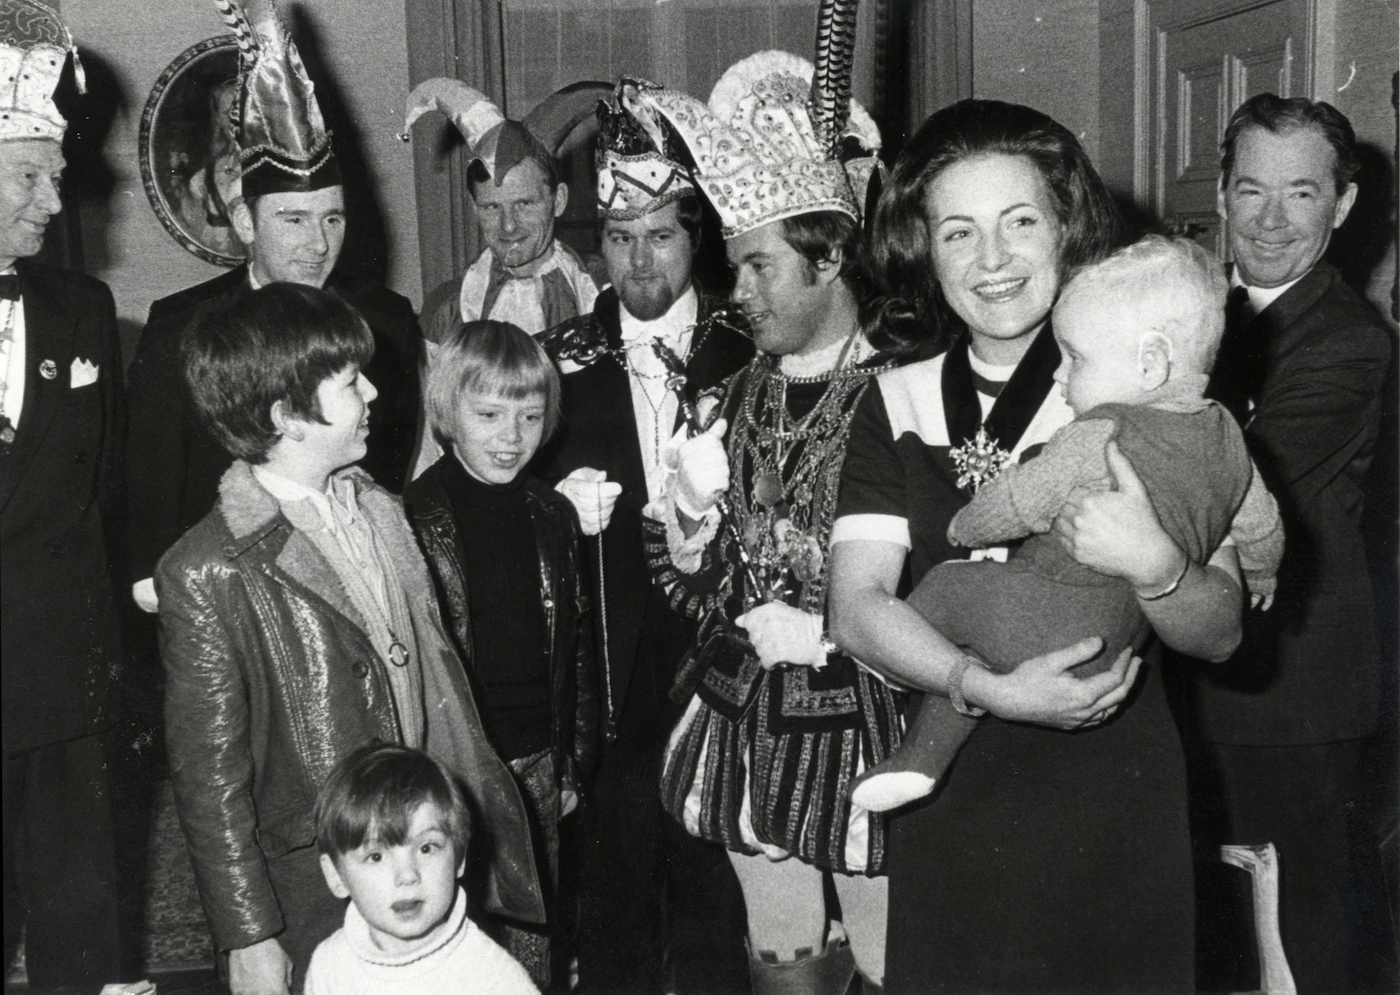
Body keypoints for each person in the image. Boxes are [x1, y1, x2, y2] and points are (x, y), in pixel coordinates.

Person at [826, 99, 1247, 993]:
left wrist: (1161, 565)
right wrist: (984, 688)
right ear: (922, 249)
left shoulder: (1147, 384)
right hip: (953, 784)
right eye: (957, 232)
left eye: (1020, 222)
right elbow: (855, 608)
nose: (992, 260)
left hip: (1114, 793)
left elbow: (1223, 633)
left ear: (1067, 228)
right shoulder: (891, 400)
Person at [158, 283, 542, 995]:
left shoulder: (381, 509)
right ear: (287, 415)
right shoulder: (209, 568)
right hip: (317, 887)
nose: (373, 390)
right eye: (348, 381)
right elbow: (211, 783)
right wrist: (250, 933)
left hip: (420, 864)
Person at [629, 27, 897, 991]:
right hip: (750, 712)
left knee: (884, 950)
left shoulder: (902, 397)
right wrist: (690, 534)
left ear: (828, 261)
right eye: (733, 267)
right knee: (781, 954)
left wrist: (827, 621)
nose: (735, 292)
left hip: (872, 708)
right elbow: (689, 573)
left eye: (759, 267)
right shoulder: (732, 395)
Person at [851, 235, 1283, 813]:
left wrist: (966, 529)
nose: (1060, 378)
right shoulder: (1228, 436)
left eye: (1075, 359)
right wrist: (1262, 574)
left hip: (1052, 628)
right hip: (1109, 655)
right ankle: (920, 762)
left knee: (953, 590)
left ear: (1150, 364)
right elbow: (1262, 524)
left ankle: (920, 756)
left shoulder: (1098, 432)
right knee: (978, 646)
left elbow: (1021, 502)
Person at [534, 80, 753, 995]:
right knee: (615, 896)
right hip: (612, 666)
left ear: (694, 236)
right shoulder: (559, 359)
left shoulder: (752, 347)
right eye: (619, 238)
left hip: (726, 659)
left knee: (716, 893)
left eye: (659, 234)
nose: (638, 259)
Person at [126, 0, 422, 613]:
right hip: (224, 604)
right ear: (244, 220)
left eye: (333, 218)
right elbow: (150, 497)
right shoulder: (178, 329)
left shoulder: (388, 323)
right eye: (293, 219)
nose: (318, 245)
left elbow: (387, 484)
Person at [1196, 93, 1393, 993]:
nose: (1270, 221)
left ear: (1344, 206)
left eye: (1302, 194)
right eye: (1250, 190)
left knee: (1300, 937)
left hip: (1290, 688)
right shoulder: (1196, 307)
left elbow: (1231, 480)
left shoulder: (1348, 339)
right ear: (1224, 193)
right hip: (1207, 668)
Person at [404, 320, 597, 988]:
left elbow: (576, 646)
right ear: (446, 413)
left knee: (531, 934)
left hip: (537, 760)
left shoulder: (552, 514)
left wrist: (571, 759)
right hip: (454, 760)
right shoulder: (410, 518)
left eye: (530, 415)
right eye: (488, 414)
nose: (511, 436)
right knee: (451, 931)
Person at [0, 4, 125, 986]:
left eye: (56, 173)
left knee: (80, 922)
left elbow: (107, 503)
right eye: (28, 174)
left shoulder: (82, 309)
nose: (54, 199)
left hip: (62, 680)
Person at [306, 743, 539, 995]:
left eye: (426, 848)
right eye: (375, 856)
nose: (407, 875)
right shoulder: (328, 967)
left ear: (459, 858)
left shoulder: (492, 978)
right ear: (335, 876)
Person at [403, 78, 600, 341]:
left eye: (524, 204)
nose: (508, 225)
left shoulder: (600, 291)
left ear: (559, 200)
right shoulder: (447, 310)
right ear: (474, 208)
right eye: (492, 207)